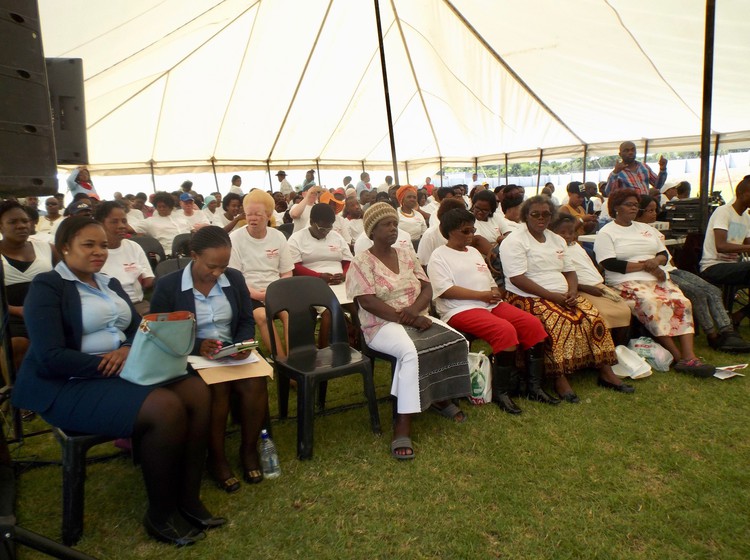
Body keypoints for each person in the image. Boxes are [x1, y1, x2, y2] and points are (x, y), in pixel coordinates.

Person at [12, 216, 220, 546]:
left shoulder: (108, 283)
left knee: (196, 390)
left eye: (104, 246)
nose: (99, 252)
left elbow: (139, 327)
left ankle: (188, 498)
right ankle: (161, 512)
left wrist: (125, 349)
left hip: (122, 370)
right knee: (164, 407)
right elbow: (51, 355)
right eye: (88, 245)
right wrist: (109, 364)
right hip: (69, 382)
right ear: (65, 247)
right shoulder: (47, 287)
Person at [346, 203, 471, 457]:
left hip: (416, 315)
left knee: (457, 340)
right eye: (386, 225)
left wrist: (415, 311)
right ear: (372, 230)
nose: (393, 229)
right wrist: (411, 320)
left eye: (394, 223)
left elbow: (427, 287)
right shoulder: (361, 261)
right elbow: (368, 302)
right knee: (411, 352)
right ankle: (403, 424)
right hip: (380, 325)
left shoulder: (405, 253)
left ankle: (440, 397)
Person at [151, 226, 268, 493]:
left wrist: (241, 343)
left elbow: (246, 319)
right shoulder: (169, 286)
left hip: (230, 352)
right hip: (190, 358)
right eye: (212, 267)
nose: (217, 273)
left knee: (256, 384)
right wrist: (196, 346)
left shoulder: (234, 279)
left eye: (223, 267)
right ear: (194, 256)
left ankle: (248, 451)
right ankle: (216, 459)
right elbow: (158, 331)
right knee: (218, 389)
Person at [499, 196, 634, 401]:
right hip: (526, 296)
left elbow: (570, 271)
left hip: (562, 294)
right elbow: (517, 278)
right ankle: (559, 378)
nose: (541, 218)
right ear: (526, 216)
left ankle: (606, 373)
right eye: (535, 214)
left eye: (546, 214)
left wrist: (572, 292)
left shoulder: (557, 239)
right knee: (558, 322)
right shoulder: (515, 241)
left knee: (592, 317)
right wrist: (552, 297)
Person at [428, 208, 550, 412]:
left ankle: (533, 386)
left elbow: (488, 279)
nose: (471, 236)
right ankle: (501, 392)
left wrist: (493, 290)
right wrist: (481, 296)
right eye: (465, 231)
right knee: (504, 330)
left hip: (489, 303)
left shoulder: (474, 252)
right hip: (459, 309)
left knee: (532, 324)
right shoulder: (439, 256)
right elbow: (445, 291)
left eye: (472, 230)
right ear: (449, 231)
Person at [595, 190, 715, 376]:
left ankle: (690, 355)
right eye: (628, 204)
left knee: (681, 301)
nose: (634, 207)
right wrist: (646, 266)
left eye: (635, 204)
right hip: (625, 282)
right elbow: (610, 263)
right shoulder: (606, 232)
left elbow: (664, 254)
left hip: (655, 278)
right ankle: (678, 357)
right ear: (616, 207)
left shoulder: (647, 229)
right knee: (653, 303)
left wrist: (656, 263)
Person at [635, 196, 750, 353]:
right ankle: (712, 335)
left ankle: (728, 331)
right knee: (697, 293)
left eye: (656, 210)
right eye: (650, 210)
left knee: (713, 290)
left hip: (671, 269)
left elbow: (666, 255)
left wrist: (674, 267)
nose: (655, 214)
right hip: (657, 273)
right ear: (639, 212)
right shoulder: (632, 233)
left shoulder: (654, 231)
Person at [229, 191, 293, 359]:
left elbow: (286, 272)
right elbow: (235, 276)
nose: (252, 218)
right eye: (249, 214)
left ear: (269, 215)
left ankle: (294, 357)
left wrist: (275, 291)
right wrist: (256, 294)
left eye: (258, 214)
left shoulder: (278, 236)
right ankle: (281, 360)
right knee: (262, 316)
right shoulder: (235, 238)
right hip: (247, 292)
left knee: (289, 315)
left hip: (276, 290)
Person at [550, 215, 631, 344]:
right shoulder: (554, 251)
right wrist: (583, 287)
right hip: (580, 288)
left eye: (570, 233)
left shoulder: (575, 246)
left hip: (597, 285)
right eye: (562, 233)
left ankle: (619, 347)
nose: (566, 236)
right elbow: (561, 275)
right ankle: (605, 349)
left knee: (625, 310)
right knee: (604, 314)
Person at [0, 200, 58, 369]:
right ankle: (19, 389)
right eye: (13, 222)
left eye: (25, 221)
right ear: (1, 226)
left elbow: (66, 279)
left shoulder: (48, 249)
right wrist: (17, 310)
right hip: (9, 317)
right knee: (18, 345)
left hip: (47, 312)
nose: (21, 226)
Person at [288, 203, 354, 346]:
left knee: (357, 308)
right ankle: (323, 349)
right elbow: (295, 267)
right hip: (312, 284)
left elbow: (348, 261)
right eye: (322, 228)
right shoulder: (297, 239)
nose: (326, 232)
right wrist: (318, 277)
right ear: (311, 222)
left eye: (329, 227)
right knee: (328, 312)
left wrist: (344, 274)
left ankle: (359, 344)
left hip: (340, 282)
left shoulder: (335, 236)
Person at [700, 176, 750, 326]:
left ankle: (739, 315)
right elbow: (721, 246)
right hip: (713, 266)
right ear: (741, 194)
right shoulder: (723, 212)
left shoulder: (746, 218)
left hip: (734, 266)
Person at [94, 201, 154, 315]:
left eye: (124, 221)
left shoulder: (134, 247)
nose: (122, 226)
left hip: (137, 305)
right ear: (100, 224)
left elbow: (148, 280)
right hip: (108, 308)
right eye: (114, 222)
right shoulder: (94, 252)